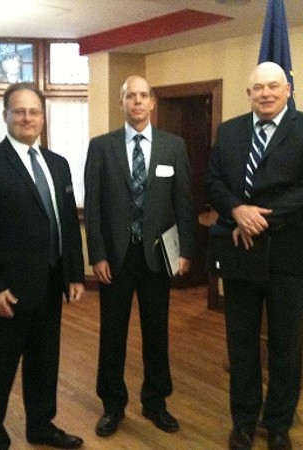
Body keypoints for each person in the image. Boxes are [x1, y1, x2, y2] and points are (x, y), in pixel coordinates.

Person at [204, 62, 303, 450]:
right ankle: (242, 421)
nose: (266, 93)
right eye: (258, 88)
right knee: (240, 341)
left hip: (287, 255)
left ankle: (278, 422)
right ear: (249, 94)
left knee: (285, 345)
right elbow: (213, 182)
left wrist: (257, 218)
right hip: (240, 251)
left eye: (274, 86)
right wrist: (236, 211)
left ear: (288, 89)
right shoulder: (229, 132)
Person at [0, 82, 85, 450]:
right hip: (6, 292)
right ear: (5, 116)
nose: (27, 118)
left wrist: (74, 273)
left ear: (43, 118)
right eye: (19, 111)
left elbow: (67, 223)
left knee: (44, 364)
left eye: (33, 111)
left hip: (49, 285)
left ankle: (41, 426)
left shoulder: (58, 165)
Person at [83, 75, 197, 438]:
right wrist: (97, 254)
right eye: (130, 96)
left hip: (156, 257)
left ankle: (156, 402)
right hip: (115, 259)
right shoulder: (101, 147)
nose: (137, 102)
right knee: (112, 335)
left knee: (156, 332)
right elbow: (95, 207)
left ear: (152, 103)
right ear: (122, 103)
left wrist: (186, 250)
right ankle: (112, 405)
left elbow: (183, 202)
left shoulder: (173, 146)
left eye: (143, 96)